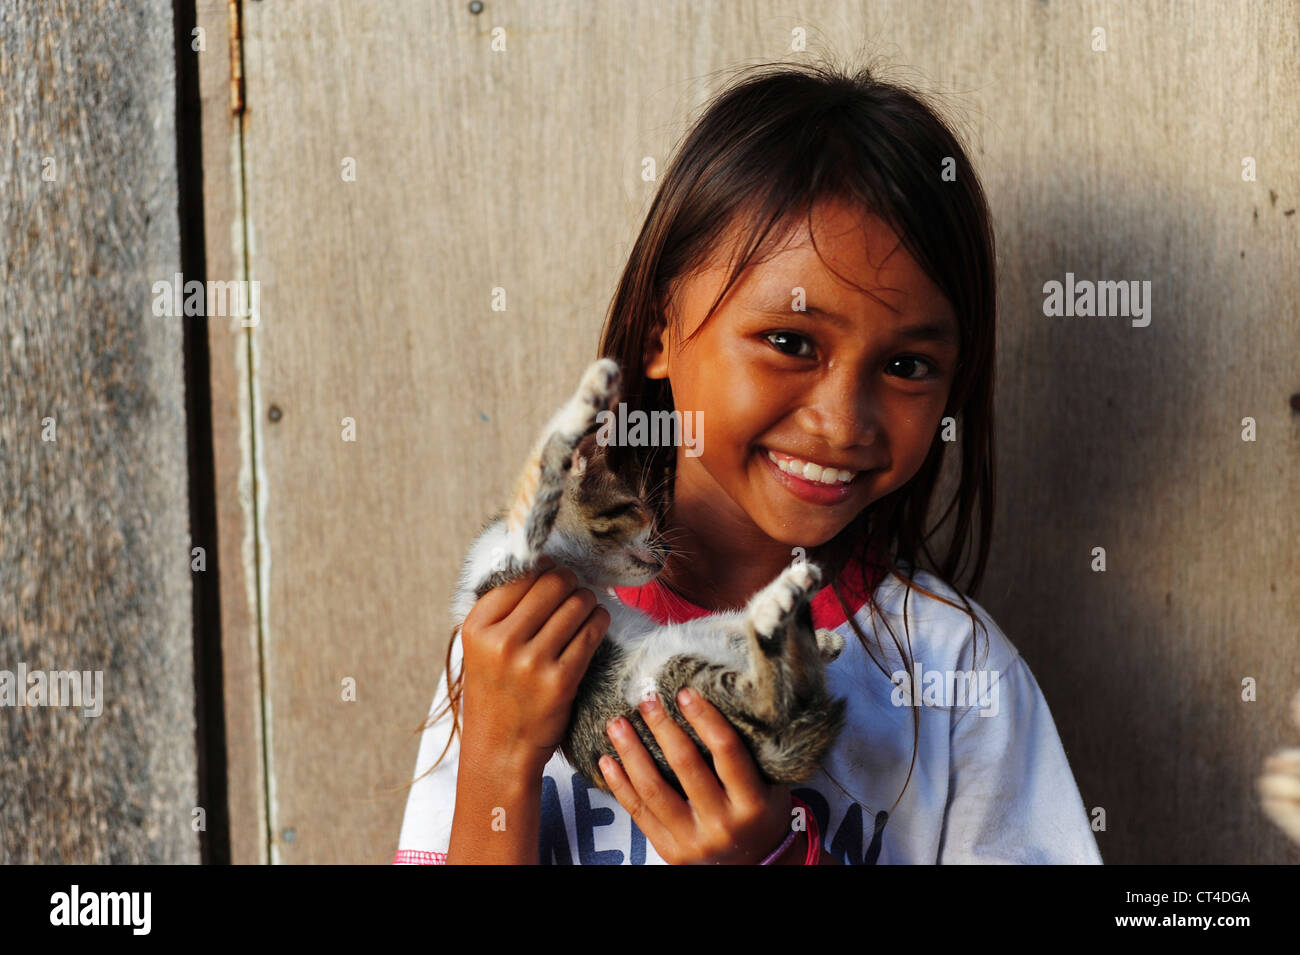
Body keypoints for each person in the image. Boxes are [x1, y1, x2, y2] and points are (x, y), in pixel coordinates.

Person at [395, 60, 1103, 865]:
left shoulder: (957, 680)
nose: (842, 422)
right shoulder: (522, 633)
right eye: (791, 342)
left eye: (907, 365)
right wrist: (496, 762)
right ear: (661, 334)